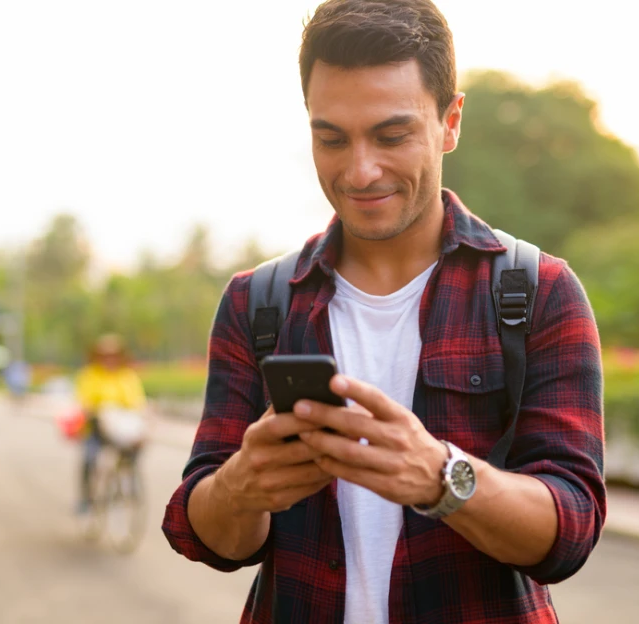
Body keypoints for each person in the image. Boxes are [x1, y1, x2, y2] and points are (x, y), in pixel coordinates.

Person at [161, 1, 605, 622]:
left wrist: (441, 477)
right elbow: (211, 538)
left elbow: (571, 529)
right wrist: (241, 486)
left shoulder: (537, 291)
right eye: (331, 138)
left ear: (450, 121)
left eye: (392, 135)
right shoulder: (257, 303)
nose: (360, 171)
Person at [74, 333, 147, 514]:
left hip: (120, 428)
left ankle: (130, 480)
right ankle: (86, 498)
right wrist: (95, 411)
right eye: (105, 355)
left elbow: (137, 402)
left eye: (113, 355)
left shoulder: (127, 376)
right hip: (96, 427)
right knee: (89, 458)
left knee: (137, 444)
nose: (110, 359)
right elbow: (84, 401)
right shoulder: (90, 375)